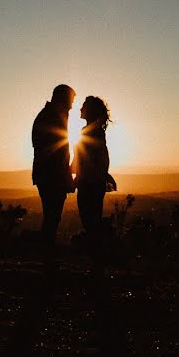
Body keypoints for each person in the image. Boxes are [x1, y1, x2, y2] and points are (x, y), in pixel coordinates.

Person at [31, 84, 76, 255]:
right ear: (62, 99)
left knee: (52, 216)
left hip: (49, 175)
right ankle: (47, 257)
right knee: (52, 216)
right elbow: (55, 153)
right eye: (71, 101)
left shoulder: (51, 116)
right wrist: (64, 176)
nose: (72, 106)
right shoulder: (51, 118)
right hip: (51, 176)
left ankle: (47, 256)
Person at [72, 95, 112, 267]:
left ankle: (97, 264)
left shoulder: (93, 132)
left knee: (91, 223)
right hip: (90, 183)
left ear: (90, 110)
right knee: (91, 222)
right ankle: (97, 264)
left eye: (83, 106)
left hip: (90, 184)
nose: (80, 109)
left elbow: (91, 159)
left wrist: (78, 176)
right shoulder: (91, 130)